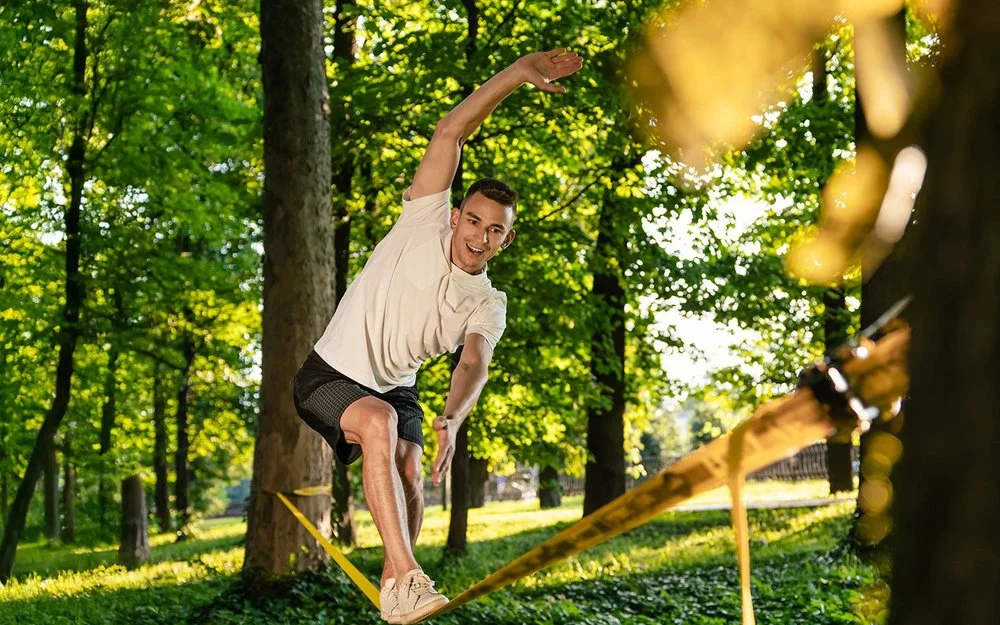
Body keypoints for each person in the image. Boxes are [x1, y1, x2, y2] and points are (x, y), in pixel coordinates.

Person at [292, 48, 583, 625]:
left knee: (412, 476)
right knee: (378, 424)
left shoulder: (487, 303)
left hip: (396, 386)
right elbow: (451, 129)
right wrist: (519, 74)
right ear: (457, 217)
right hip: (327, 375)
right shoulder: (424, 218)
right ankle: (406, 575)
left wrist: (451, 419)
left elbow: (473, 363)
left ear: (506, 241)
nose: (480, 235)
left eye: (495, 231)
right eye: (474, 220)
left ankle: (397, 584)